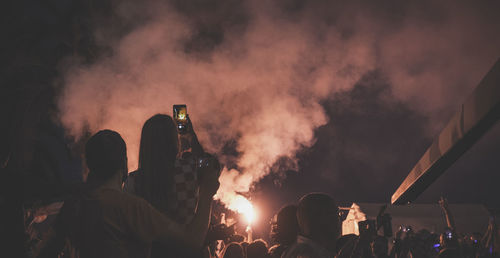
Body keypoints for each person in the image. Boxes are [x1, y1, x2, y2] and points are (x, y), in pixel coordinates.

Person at [36, 130, 220, 258]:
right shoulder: (131, 207)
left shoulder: (73, 205)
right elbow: (191, 243)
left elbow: (45, 252)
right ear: (123, 164)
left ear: (89, 165)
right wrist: (206, 194)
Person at [282, 193, 341, 258]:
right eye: (336, 214)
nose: (339, 220)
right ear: (319, 217)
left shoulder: (294, 250)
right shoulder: (309, 254)